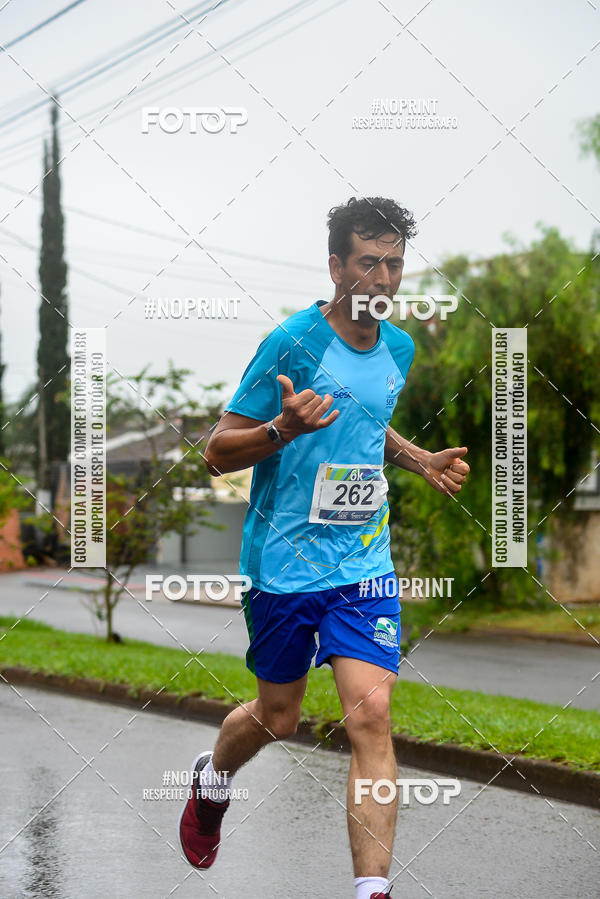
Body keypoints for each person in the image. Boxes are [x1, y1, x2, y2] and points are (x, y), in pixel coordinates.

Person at [179, 196, 470, 899]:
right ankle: (212, 779)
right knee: (279, 716)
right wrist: (281, 428)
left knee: (370, 713)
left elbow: (366, 425)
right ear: (336, 265)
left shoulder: (398, 347)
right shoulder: (293, 342)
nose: (382, 278)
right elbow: (215, 452)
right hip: (283, 565)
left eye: (394, 263)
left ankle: (371, 892)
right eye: (368, 262)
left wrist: (417, 457)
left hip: (363, 565)